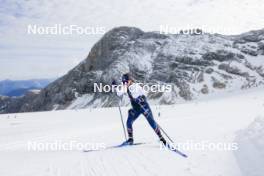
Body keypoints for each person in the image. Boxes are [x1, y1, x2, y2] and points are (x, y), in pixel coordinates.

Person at [113, 73, 167, 145]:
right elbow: (119, 93)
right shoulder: (125, 87)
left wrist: (141, 98)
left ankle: (162, 138)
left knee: (152, 122)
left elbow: (145, 93)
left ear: (130, 80)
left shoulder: (136, 86)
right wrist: (115, 86)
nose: (125, 83)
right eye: (123, 82)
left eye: (126, 81)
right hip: (136, 109)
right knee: (129, 122)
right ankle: (130, 140)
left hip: (144, 107)